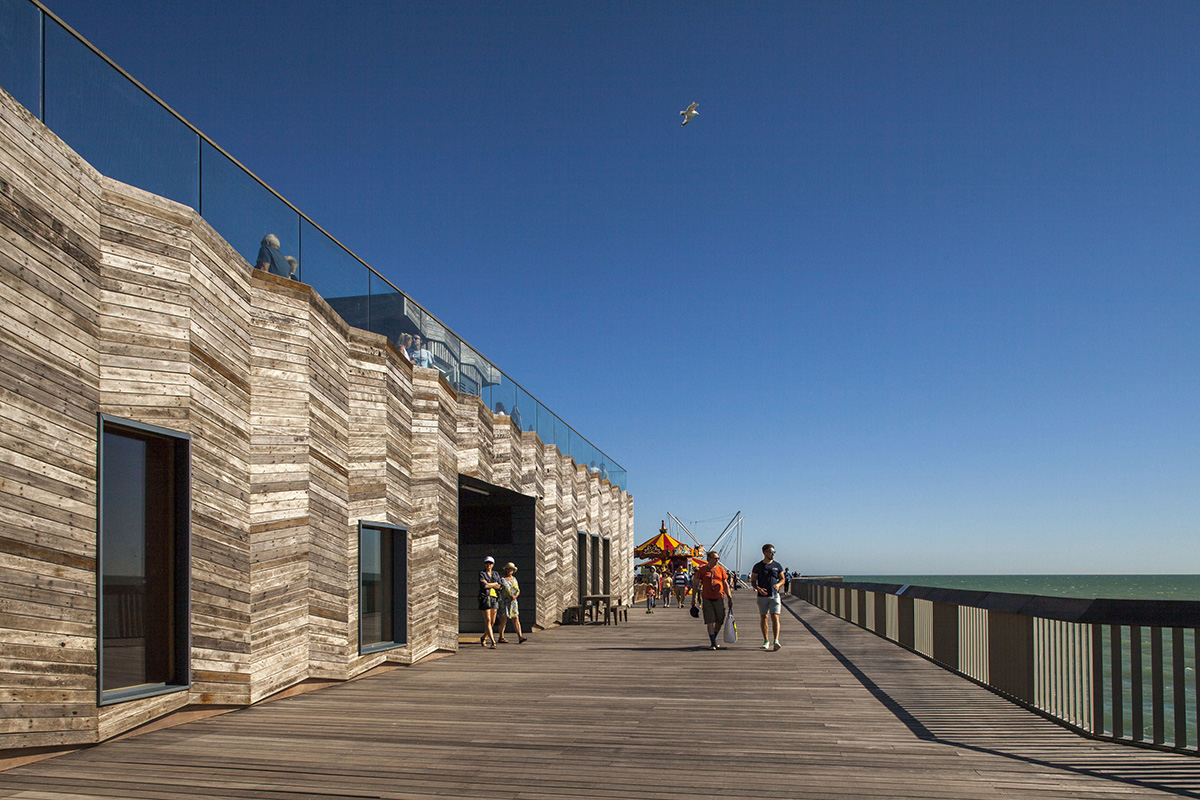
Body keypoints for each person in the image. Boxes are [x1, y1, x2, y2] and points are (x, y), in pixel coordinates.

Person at [690, 551, 733, 650]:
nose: (717, 560)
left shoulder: (721, 569)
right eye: (715, 558)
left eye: (718, 558)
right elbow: (696, 584)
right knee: (710, 621)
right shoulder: (703, 570)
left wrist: (729, 597)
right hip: (707, 599)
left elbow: (725, 584)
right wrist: (694, 599)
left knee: (720, 620)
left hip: (719, 598)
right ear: (709, 559)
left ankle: (715, 636)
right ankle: (713, 642)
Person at [751, 543, 786, 651]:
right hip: (762, 596)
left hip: (775, 595)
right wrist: (758, 588)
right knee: (764, 617)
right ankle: (766, 640)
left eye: (774, 552)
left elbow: (783, 579)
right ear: (765, 552)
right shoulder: (758, 566)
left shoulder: (778, 565)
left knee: (775, 617)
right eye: (771, 552)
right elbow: (753, 581)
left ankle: (776, 640)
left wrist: (778, 585)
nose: (773, 554)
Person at [495, 562, 527, 643]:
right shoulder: (502, 579)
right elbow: (500, 588)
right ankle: (501, 637)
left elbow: (518, 590)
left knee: (515, 618)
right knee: (503, 618)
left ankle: (520, 636)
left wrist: (515, 596)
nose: (510, 571)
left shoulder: (514, 579)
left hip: (513, 601)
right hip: (504, 601)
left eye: (511, 569)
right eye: (508, 569)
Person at [478, 556, 501, 648]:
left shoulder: (495, 574)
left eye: (490, 563)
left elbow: (500, 586)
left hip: (494, 597)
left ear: (493, 564)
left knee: (492, 621)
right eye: (487, 563)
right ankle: (493, 642)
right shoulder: (482, 573)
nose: (489, 565)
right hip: (485, 597)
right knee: (487, 620)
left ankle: (484, 637)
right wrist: (494, 584)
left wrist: (491, 584)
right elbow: (484, 586)